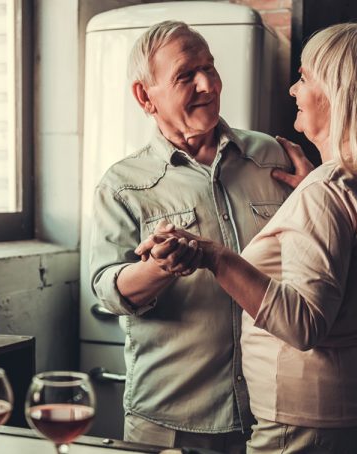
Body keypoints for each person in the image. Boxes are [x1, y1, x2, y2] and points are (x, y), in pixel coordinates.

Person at [136, 22, 357, 453]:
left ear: (338, 92)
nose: (293, 89)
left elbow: (303, 326)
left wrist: (215, 257)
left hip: (316, 421)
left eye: (305, 78)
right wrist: (312, 197)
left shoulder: (329, 191)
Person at [88, 20, 310, 453]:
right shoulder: (122, 184)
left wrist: (320, 197)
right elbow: (106, 291)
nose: (208, 84)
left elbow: (317, 254)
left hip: (275, 413)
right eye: (186, 75)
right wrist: (157, 268)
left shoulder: (272, 157)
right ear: (144, 96)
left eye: (210, 68)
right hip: (171, 422)